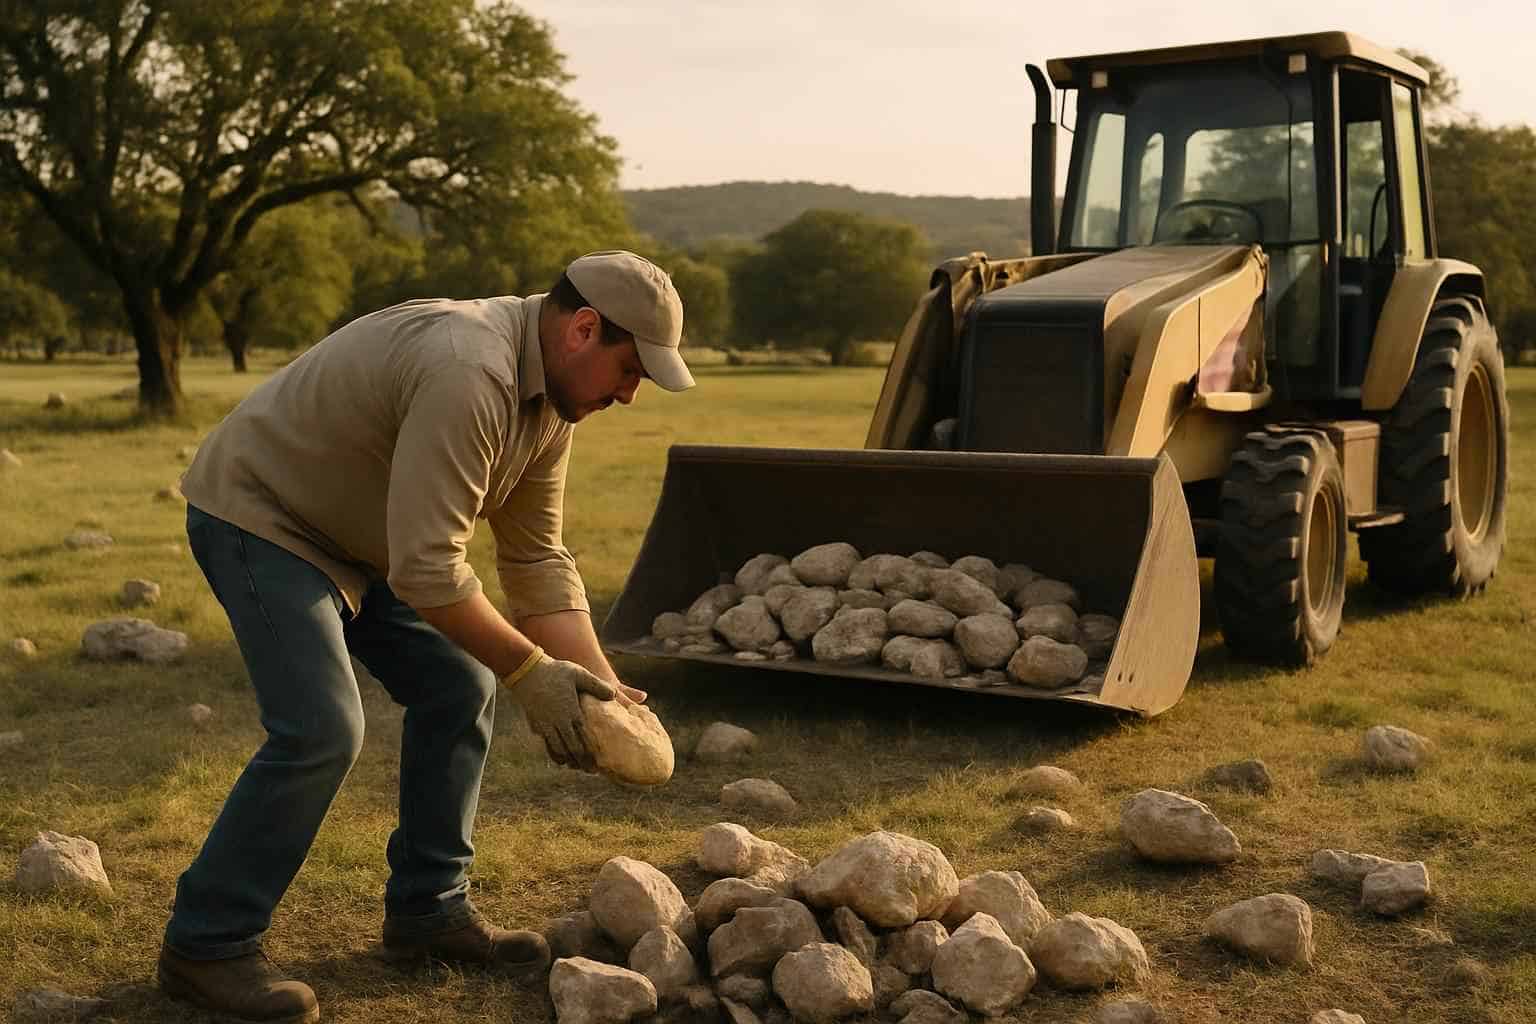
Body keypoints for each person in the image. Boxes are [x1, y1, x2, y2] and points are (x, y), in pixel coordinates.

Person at [158, 250, 693, 1024]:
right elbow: (430, 572)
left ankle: (427, 912)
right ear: (583, 328)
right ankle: (206, 945)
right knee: (322, 728)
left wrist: (598, 688)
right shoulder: (468, 369)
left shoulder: (550, 406)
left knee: (460, 683)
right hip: (263, 516)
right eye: (630, 368)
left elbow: (536, 558)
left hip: (361, 539)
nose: (631, 392)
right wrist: (530, 671)